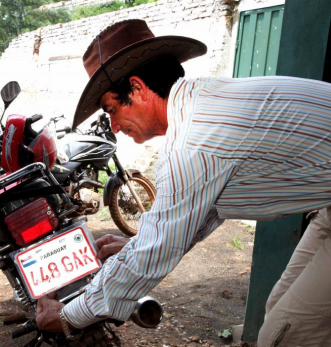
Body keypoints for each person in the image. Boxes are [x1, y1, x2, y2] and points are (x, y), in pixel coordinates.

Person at [35, 19, 331, 346]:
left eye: (111, 110)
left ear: (137, 88)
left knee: (283, 335)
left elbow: (154, 254)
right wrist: (139, 244)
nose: (114, 126)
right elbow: (197, 216)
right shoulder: (202, 102)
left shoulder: (193, 142)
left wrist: (67, 315)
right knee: (280, 308)